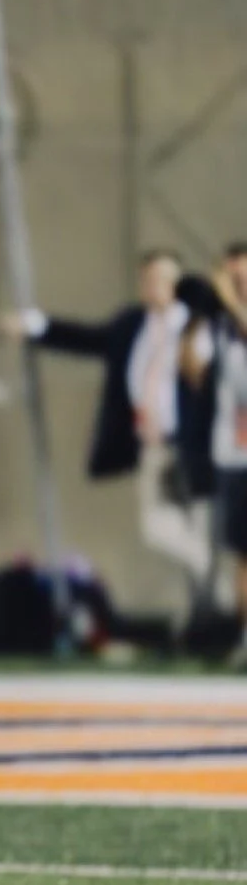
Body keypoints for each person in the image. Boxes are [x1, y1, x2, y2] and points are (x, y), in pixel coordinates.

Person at [0, 249, 216, 625]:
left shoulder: (197, 327)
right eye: (150, 279)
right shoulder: (133, 324)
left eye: (165, 279)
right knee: (159, 528)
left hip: (193, 447)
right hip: (152, 445)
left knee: (197, 524)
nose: (157, 287)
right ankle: (209, 579)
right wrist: (36, 326)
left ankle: (206, 613)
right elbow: (87, 338)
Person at [175, 242, 247, 663]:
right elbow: (194, 375)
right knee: (242, 553)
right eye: (232, 280)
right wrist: (198, 318)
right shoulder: (217, 330)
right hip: (234, 458)